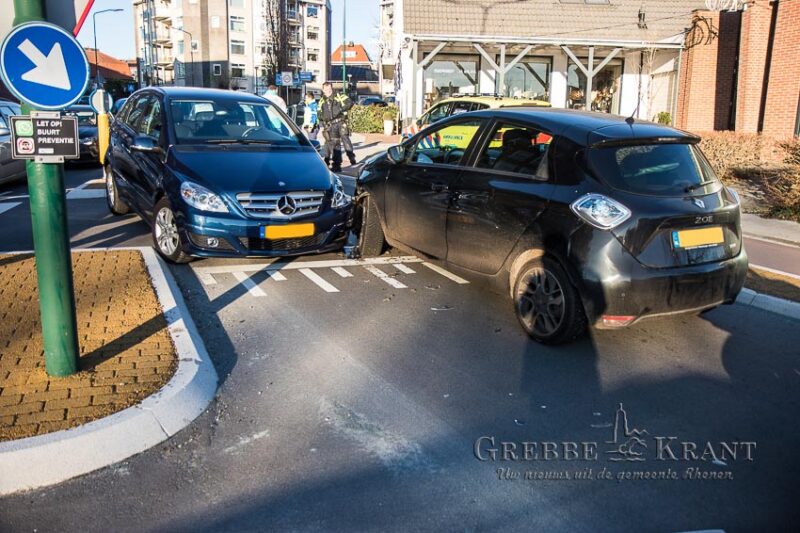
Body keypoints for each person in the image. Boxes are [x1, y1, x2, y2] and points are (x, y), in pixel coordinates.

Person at [318, 82, 356, 172]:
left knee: (345, 140)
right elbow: (319, 114)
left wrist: (340, 109)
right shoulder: (322, 100)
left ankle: (352, 158)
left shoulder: (339, 96)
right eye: (326, 90)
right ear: (323, 90)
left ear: (332, 88)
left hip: (341, 122)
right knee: (335, 145)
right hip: (331, 125)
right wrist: (323, 124)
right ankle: (337, 165)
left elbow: (350, 103)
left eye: (329, 89)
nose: (328, 91)